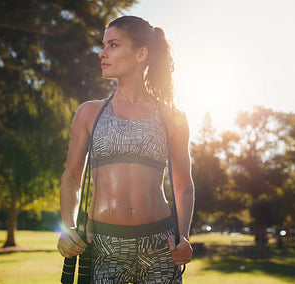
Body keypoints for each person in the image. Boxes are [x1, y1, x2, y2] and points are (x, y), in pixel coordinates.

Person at [57, 15, 194, 283]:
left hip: (161, 245)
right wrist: (67, 229)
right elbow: (72, 176)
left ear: (141, 53)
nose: (102, 53)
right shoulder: (89, 113)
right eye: (103, 45)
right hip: (104, 245)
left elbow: (183, 185)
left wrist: (183, 236)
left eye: (113, 45)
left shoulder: (172, 117)